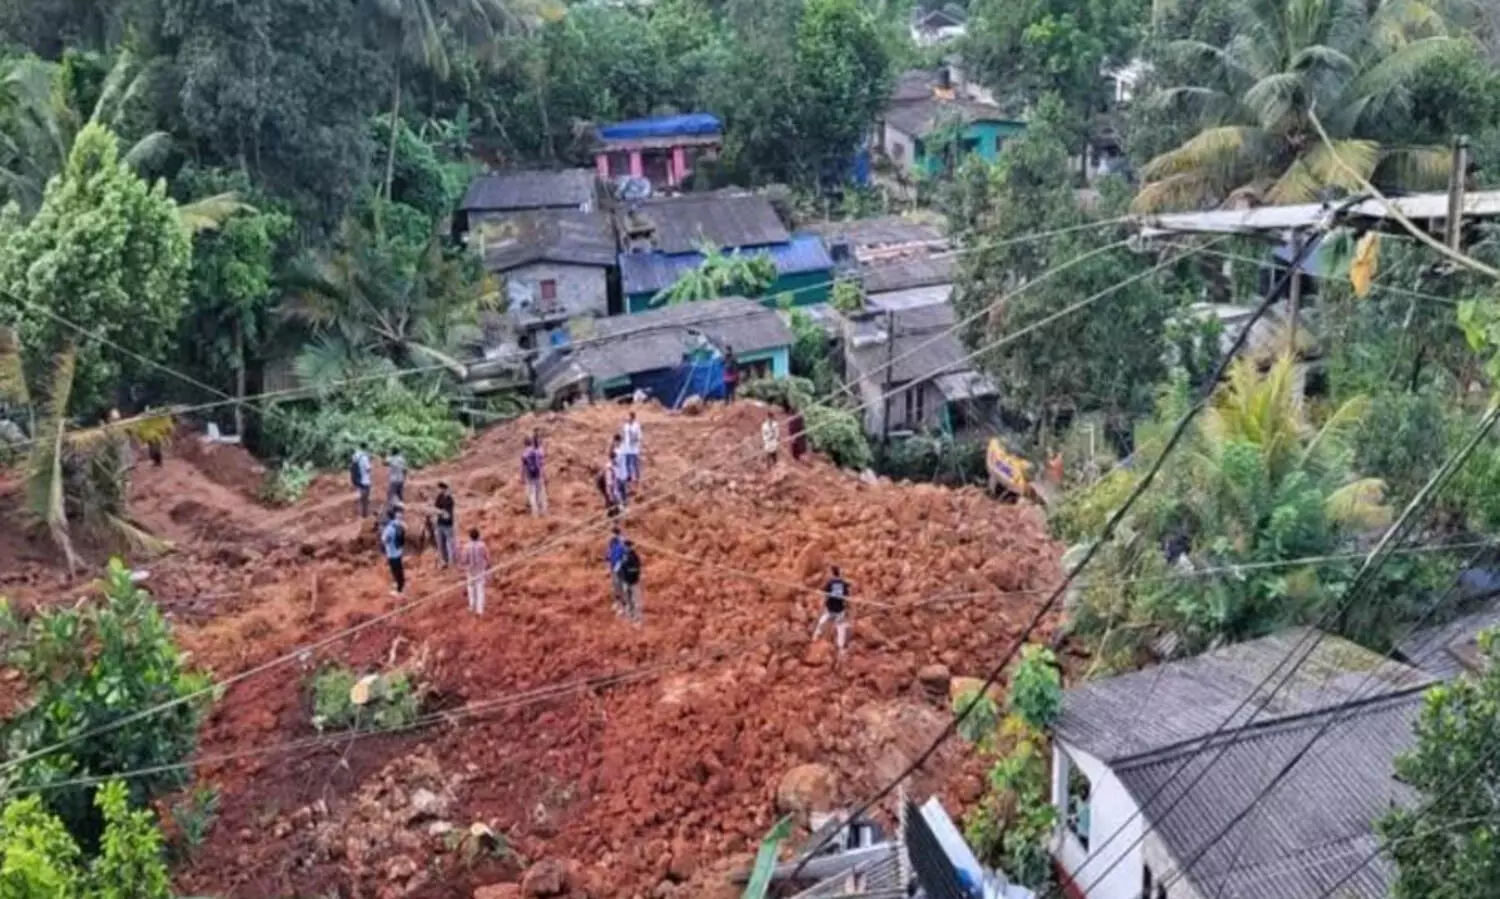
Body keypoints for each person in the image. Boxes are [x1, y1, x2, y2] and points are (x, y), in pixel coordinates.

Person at [812, 565, 851, 657]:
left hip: (831, 609)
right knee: (840, 629)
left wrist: (823, 604)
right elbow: (846, 596)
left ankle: (816, 635)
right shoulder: (843, 583)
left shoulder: (830, 583)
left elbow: (825, 595)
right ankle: (841, 649)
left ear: (832, 573)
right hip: (840, 609)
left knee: (822, 621)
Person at [461, 527, 490, 615]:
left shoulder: (466, 546)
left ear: (470, 537)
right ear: (478, 536)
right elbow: (488, 557)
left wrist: (464, 567)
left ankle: (472, 606)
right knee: (480, 589)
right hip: (480, 570)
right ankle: (479, 610)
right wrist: (488, 566)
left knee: (471, 588)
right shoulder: (482, 545)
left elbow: (464, 560)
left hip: (470, 571)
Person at [381, 505, 408, 597]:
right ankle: (401, 585)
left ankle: (400, 590)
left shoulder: (389, 528)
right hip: (398, 551)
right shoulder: (398, 524)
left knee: (396, 571)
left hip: (392, 553)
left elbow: (384, 540)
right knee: (399, 570)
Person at [617, 539, 643, 624]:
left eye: (627, 546)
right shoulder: (625, 556)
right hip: (626, 580)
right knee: (629, 599)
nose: (626, 548)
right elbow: (622, 568)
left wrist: (632, 572)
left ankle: (637, 619)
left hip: (633, 581)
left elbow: (637, 568)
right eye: (626, 546)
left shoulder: (634, 556)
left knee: (635, 599)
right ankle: (631, 616)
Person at [521, 437, 548, 516]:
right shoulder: (536, 452)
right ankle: (544, 511)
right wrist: (544, 475)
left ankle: (535, 512)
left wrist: (522, 477)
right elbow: (540, 464)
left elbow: (522, 468)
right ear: (531, 443)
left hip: (529, 476)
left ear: (524, 444)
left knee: (532, 494)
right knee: (541, 493)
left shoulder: (524, 455)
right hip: (538, 474)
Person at [605, 525, 628, 615]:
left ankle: (624, 607)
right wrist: (608, 567)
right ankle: (617, 603)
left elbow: (625, 555)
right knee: (615, 587)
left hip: (621, 569)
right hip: (613, 568)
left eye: (613, 534)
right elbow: (608, 555)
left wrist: (620, 564)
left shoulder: (622, 543)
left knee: (621, 587)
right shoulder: (611, 543)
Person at [433, 482, 456, 567]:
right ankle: (444, 561)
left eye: (440, 488)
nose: (439, 490)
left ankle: (452, 561)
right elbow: (436, 507)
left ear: (444, 489)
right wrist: (438, 511)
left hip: (448, 525)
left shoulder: (450, 499)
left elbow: (447, 513)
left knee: (450, 543)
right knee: (441, 544)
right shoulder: (439, 497)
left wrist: (440, 512)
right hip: (440, 524)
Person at [621, 411, 643, 486]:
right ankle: (629, 476)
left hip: (634, 447)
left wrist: (635, 439)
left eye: (629, 417)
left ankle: (637, 477)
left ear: (632, 417)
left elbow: (639, 436)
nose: (627, 418)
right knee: (627, 462)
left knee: (634, 463)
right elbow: (623, 435)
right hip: (626, 447)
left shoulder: (636, 426)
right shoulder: (625, 426)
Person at [351, 444, 373, 518]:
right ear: (365, 448)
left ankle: (360, 515)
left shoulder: (355, 456)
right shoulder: (364, 457)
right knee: (365, 499)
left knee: (360, 497)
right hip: (365, 480)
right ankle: (365, 515)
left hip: (358, 480)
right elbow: (368, 468)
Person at [610, 434, 630, 506]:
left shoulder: (620, 451)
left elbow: (616, 462)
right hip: (619, 473)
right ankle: (622, 505)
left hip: (621, 474)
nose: (614, 443)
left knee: (620, 491)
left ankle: (622, 505)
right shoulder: (617, 450)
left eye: (615, 441)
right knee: (620, 491)